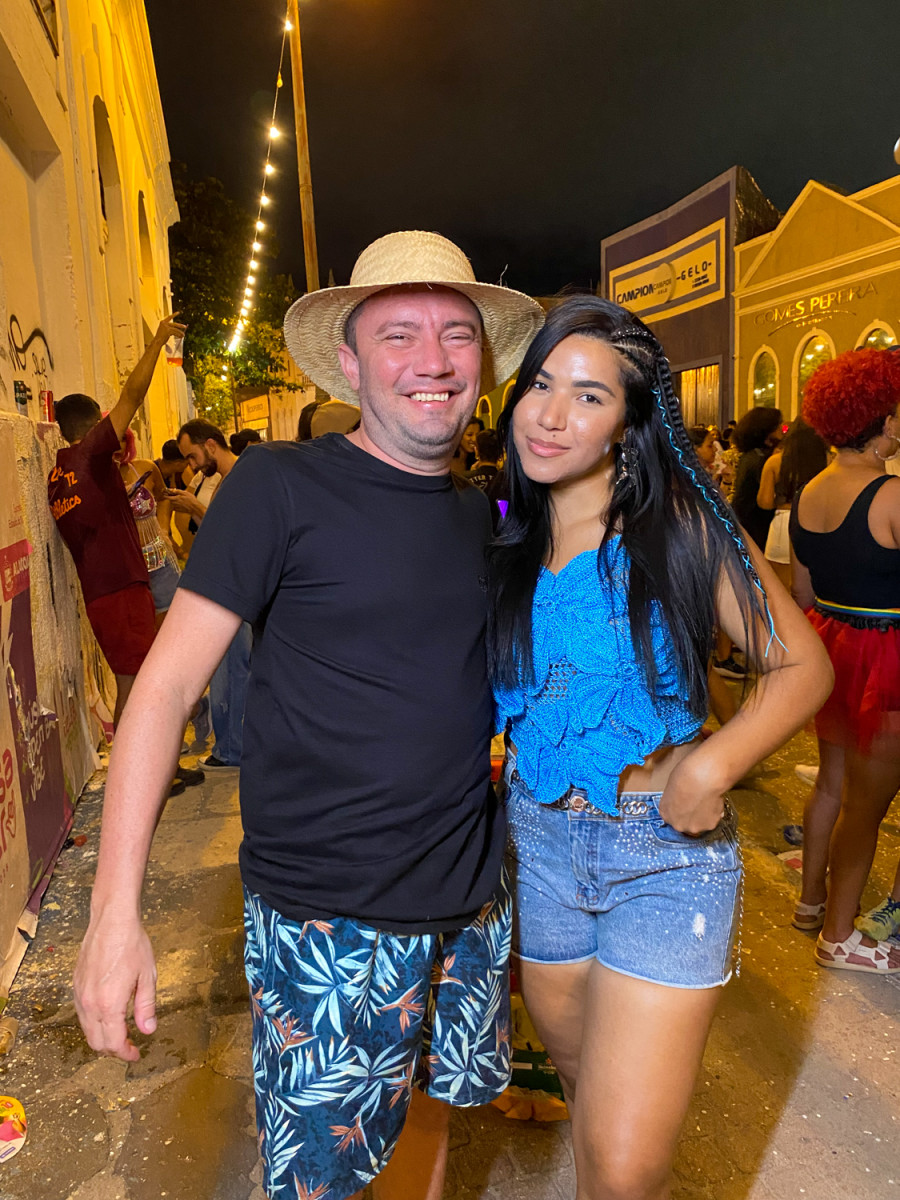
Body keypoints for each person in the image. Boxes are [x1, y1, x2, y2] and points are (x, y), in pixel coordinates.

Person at [73, 230, 544, 1200]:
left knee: (429, 1123)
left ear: (482, 362)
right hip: (329, 923)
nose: (433, 360)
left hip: (468, 903)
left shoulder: (482, 513)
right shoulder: (278, 487)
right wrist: (114, 913)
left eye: (457, 335)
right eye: (399, 334)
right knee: (323, 1180)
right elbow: (163, 690)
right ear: (349, 361)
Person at [488, 296, 831, 1200]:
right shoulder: (509, 532)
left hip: (664, 860)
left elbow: (801, 664)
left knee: (628, 1163)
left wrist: (716, 764)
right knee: (590, 1114)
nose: (551, 415)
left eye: (589, 396)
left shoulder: (678, 524)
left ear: (631, 424)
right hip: (542, 852)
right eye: (540, 386)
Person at [789, 348, 900, 972]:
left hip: (831, 649)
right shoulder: (892, 495)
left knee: (831, 785)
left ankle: (811, 904)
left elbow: (804, 593)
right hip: (888, 659)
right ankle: (840, 936)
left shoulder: (810, 491)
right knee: (868, 802)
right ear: (881, 420)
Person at [48, 316, 180, 725]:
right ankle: (135, 764)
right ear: (95, 426)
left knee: (132, 682)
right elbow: (132, 396)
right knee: (137, 686)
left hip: (101, 594)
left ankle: (143, 759)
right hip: (121, 590)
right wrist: (157, 342)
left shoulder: (59, 474)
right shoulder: (91, 454)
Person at [173, 420, 245, 771]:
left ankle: (231, 748)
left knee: (231, 671)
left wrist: (195, 508)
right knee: (229, 669)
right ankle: (231, 745)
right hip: (226, 587)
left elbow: (231, 533)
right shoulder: (223, 480)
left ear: (211, 445)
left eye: (193, 455)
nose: (192, 464)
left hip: (234, 589)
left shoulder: (241, 477)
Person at [115, 427, 181, 624]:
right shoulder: (95, 480)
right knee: (140, 628)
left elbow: (164, 497)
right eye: (111, 438)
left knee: (172, 622)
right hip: (126, 567)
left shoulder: (146, 468)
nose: (117, 445)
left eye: (122, 439)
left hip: (158, 558)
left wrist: (164, 529)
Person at [757, 416, 828, 589]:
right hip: (816, 523)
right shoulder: (827, 461)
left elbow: (765, 502)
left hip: (783, 523)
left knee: (780, 589)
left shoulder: (775, 462)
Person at [730, 405, 784, 549]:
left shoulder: (750, 455)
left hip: (745, 524)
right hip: (755, 528)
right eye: (778, 426)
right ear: (766, 431)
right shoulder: (761, 460)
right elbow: (768, 499)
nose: (782, 430)